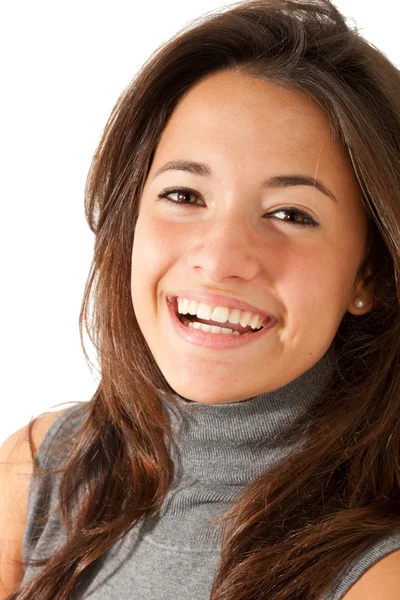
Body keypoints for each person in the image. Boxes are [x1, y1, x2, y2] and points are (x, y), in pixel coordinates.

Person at [1, 0, 400, 598]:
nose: (218, 260)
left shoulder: (377, 573)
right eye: (185, 195)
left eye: (290, 213)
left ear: (369, 276)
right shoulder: (41, 470)